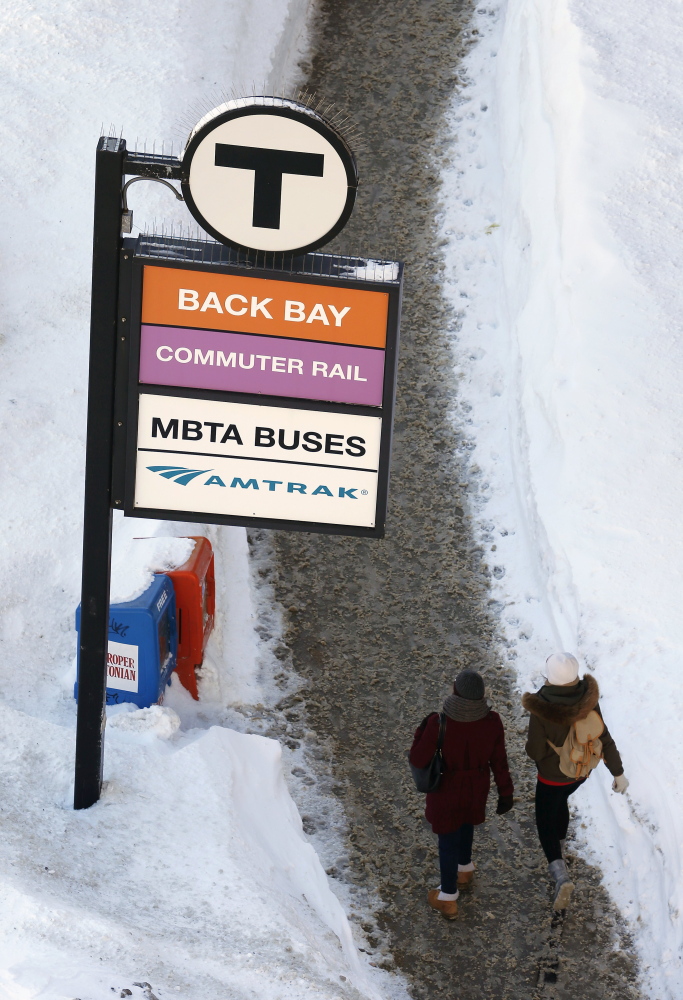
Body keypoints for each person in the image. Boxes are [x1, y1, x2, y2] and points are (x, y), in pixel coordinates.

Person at [522, 652, 629, 911]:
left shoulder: (541, 708)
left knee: (544, 819)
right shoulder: (587, 699)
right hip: (580, 773)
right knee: (562, 801)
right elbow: (605, 738)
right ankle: (560, 846)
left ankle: (560, 876)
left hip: (551, 777)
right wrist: (618, 773)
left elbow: (535, 751)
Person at [409, 669, 514, 920]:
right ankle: (464, 869)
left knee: (447, 841)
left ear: (456, 692)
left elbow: (418, 758)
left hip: (446, 789)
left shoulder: (439, 722)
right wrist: (505, 792)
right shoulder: (492, 721)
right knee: (467, 824)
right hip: (477, 787)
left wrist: (421, 731)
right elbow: (499, 761)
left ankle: (447, 897)